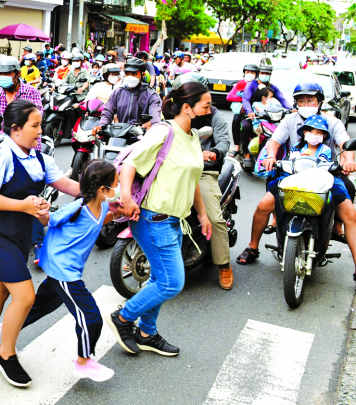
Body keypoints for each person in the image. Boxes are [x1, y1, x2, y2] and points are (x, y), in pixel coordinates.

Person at [0, 100, 82, 388]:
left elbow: (69, 187)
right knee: (25, 296)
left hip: (17, 233)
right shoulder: (1, 155)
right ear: (15, 129)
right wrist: (24, 206)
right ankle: (5, 354)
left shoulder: (38, 157)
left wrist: (105, 192)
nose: (40, 131)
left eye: (40, 124)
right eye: (35, 125)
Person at [106, 81, 213, 358]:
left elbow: (193, 179)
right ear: (187, 108)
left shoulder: (192, 136)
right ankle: (123, 318)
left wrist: (202, 214)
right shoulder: (164, 131)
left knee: (159, 278)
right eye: (206, 104)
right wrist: (127, 198)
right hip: (153, 218)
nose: (210, 107)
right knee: (171, 283)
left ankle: (147, 333)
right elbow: (131, 163)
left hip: (175, 220)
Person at [237, 81, 356, 288]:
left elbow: (344, 143)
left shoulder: (332, 122)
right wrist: (270, 157)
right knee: (263, 206)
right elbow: (274, 142)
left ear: (319, 102)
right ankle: (252, 246)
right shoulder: (289, 120)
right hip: (292, 174)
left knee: (350, 214)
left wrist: (348, 160)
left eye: (310, 100)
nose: (306, 104)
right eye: (301, 101)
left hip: (326, 177)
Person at [22, 159, 120, 382]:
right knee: (90, 317)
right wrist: (40, 210)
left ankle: (8, 326)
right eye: (116, 183)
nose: (118, 188)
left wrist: (116, 215)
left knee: (44, 304)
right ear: (102, 189)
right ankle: (84, 362)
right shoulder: (76, 208)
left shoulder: (102, 204)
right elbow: (50, 220)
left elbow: (96, 223)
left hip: (66, 268)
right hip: (63, 270)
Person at [175, 74, 236, 290]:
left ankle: (224, 264)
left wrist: (214, 152)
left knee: (214, 217)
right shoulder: (170, 111)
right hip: (173, 169)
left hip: (202, 171)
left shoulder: (214, 115)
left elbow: (223, 141)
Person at [93, 57, 161, 135]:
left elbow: (155, 119)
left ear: (143, 74)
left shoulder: (151, 95)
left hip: (140, 138)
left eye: (134, 74)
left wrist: (142, 127)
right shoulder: (118, 92)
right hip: (118, 136)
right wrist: (101, 126)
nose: (130, 76)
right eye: (127, 74)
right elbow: (107, 112)